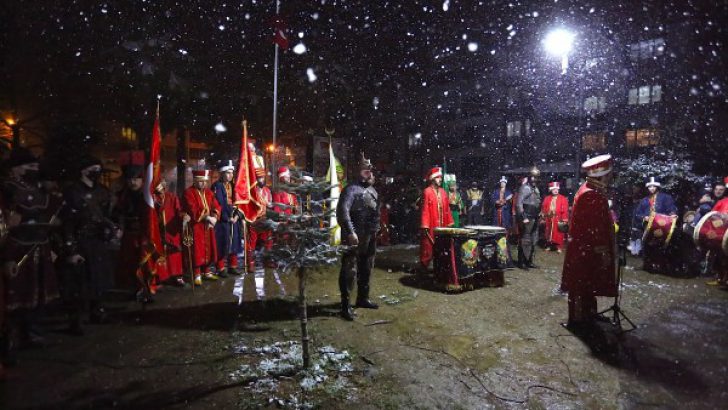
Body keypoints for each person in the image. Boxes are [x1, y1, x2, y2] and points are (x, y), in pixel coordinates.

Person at [0, 149, 61, 365]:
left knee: (38, 291)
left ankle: (33, 332)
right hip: (16, 246)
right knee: (16, 295)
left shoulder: (36, 188)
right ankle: (12, 338)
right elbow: (7, 223)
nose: (33, 170)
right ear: (15, 167)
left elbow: (48, 212)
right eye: (28, 166)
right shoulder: (7, 188)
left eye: (35, 167)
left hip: (39, 244)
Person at [61, 155, 117, 330]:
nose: (97, 171)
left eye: (98, 168)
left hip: (98, 240)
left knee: (98, 279)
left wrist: (112, 228)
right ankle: (75, 319)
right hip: (80, 240)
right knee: (79, 282)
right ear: (83, 170)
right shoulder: (73, 191)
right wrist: (71, 249)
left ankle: (97, 312)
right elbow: (67, 222)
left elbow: (108, 214)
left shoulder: (102, 190)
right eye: (93, 167)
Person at [561, 154, 618, 327]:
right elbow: (594, 228)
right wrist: (602, 250)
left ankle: (588, 315)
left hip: (584, 248)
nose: (609, 178)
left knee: (586, 283)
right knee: (581, 284)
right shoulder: (591, 195)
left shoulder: (588, 190)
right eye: (608, 175)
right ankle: (580, 321)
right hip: (587, 250)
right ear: (602, 176)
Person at [336, 153, 381, 320]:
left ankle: (363, 298)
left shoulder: (372, 190)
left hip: (370, 236)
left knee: (367, 267)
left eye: (370, 170)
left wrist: (377, 229)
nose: (369, 173)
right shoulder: (350, 189)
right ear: (359, 171)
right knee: (349, 269)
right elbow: (342, 212)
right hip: (353, 236)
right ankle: (345, 305)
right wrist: (350, 231)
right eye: (366, 170)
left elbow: (375, 212)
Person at [183, 169, 221, 285]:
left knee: (209, 249)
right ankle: (197, 274)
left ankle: (206, 271)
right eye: (200, 181)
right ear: (195, 181)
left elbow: (216, 205)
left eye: (205, 181)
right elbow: (192, 208)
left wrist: (214, 216)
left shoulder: (209, 192)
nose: (203, 184)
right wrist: (207, 217)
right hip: (196, 226)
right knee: (197, 250)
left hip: (208, 226)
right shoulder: (188, 192)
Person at [112, 164, 147, 293]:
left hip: (144, 233)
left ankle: (145, 285)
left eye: (136, 179)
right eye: (130, 179)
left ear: (142, 180)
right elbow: (116, 214)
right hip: (128, 233)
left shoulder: (146, 196)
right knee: (129, 261)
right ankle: (132, 286)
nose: (133, 182)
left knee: (144, 260)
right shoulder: (122, 196)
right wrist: (119, 227)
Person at [634, 177, 678, 273]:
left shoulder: (666, 197)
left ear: (658, 186)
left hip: (662, 226)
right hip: (647, 227)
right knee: (646, 245)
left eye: (654, 186)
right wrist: (644, 217)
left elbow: (671, 209)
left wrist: (672, 214)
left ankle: (659, 266)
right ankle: (646, 265)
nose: (652, 188)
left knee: (660, 246)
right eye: (650, 187)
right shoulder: (644, 200)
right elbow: (637, 213)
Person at [211, 160, 242, 277]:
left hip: (233, 218)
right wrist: (226, 216)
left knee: (234, 242)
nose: (230, 175)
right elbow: (218, 203)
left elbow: (239, 201)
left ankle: (232, 266)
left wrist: (237, 215)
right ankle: (220, 268)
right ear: (222, 173)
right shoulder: (217, 186)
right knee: (222, 243)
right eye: (228, 173)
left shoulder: (234, 185)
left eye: (231, 173)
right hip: (222, 220)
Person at [420, 167, 454, 270]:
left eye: (440, 177)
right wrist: (425, 224)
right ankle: (425, 267)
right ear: (433, 178)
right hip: (431, 224)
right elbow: (425, 209)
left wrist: (449, 222)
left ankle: (439, 267)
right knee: (428, 246)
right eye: (438, 177)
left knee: (441, 246)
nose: (440, 179)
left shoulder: (443, 192)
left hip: (442, 225)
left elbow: (447, 208)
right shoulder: (427, 192)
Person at [154, 180, 186, 287]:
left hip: (171, 230)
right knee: (159, 254)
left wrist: (183, 216)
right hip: (158, 231)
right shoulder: (152, 199)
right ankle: (160, 277)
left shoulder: (172, 197)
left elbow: (179, 211)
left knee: (174, 255)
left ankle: (177, 276)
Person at [247, 168, 274, 270]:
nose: (261, 180)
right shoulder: (251, 191)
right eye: (259, 178)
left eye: (262, 178)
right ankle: (251, 263)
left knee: (268, 240)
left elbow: (270, 204)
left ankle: (267, 260)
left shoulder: (267, 190)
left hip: (265, 219)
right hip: (254, 220)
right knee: (252, 243)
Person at [516, 167, 542, 269]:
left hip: (535, 217)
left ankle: (529, 262)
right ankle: (522, 262)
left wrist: (539, 212)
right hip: (527, 217)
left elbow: (537, 202)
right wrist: (523, 217)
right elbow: (519, 204)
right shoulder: (524, 188)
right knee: (525, 240)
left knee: (534, 240)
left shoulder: (536, 189)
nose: (534, 179)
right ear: (530, 177)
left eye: (536, 177)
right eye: (533, 177)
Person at [491, 176, 515, 266]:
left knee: (505, 229)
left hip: (505, 213)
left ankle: (504, 241)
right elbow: (492, 199)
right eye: (501, 182)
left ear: (506, 183)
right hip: (497, 212)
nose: (502, 184)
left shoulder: (509, 192)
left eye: (504, 183)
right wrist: (496, 202)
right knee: (496, 228)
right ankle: (496, 240)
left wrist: (505, 202)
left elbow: (511, 202)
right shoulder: (496, 191)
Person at [541, 181, 569, 253]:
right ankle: (549, 246)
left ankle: (559, 247)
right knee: (548, 233)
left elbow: (565, 210)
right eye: (554, 189)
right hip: (549, 218)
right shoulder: (547, 198)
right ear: (551, 190)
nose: (555, 191)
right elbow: (544, 208)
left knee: (559, 234)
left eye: (557, 189)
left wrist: (564, 219)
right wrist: (543, 217)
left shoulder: (563, 198)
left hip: (559, 218)